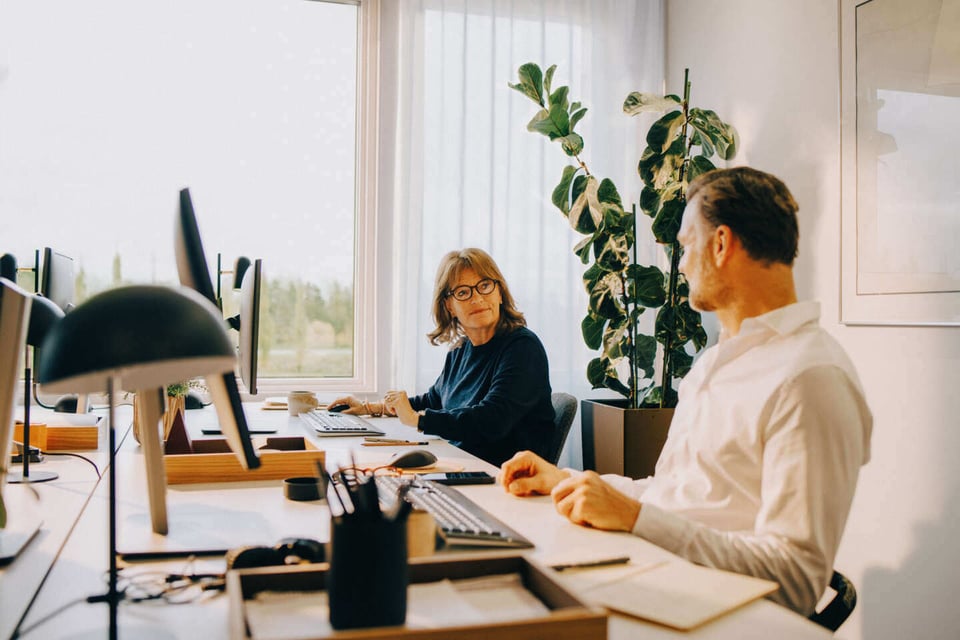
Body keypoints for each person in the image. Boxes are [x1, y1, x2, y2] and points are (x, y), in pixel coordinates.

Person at [498, 167, 873, 616]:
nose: (681, 263)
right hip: (656, 580)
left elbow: (794, 583)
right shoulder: (717, 361)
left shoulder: (810, 378)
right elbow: (678, 498)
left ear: (720, 244)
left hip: (716, 615)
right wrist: (569, 481)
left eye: (685, 245)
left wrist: (637, 519)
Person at [329, 248, 555, 467]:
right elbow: (435, 400)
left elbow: (492, 420)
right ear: (449, 306)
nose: (477, 298)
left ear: (499, 292)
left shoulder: (523, 348)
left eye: (485, 286)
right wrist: (370, 408)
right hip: (463, 465)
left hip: (502, 478)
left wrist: (419, 421)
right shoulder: (460, 351)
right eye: (463, 292)